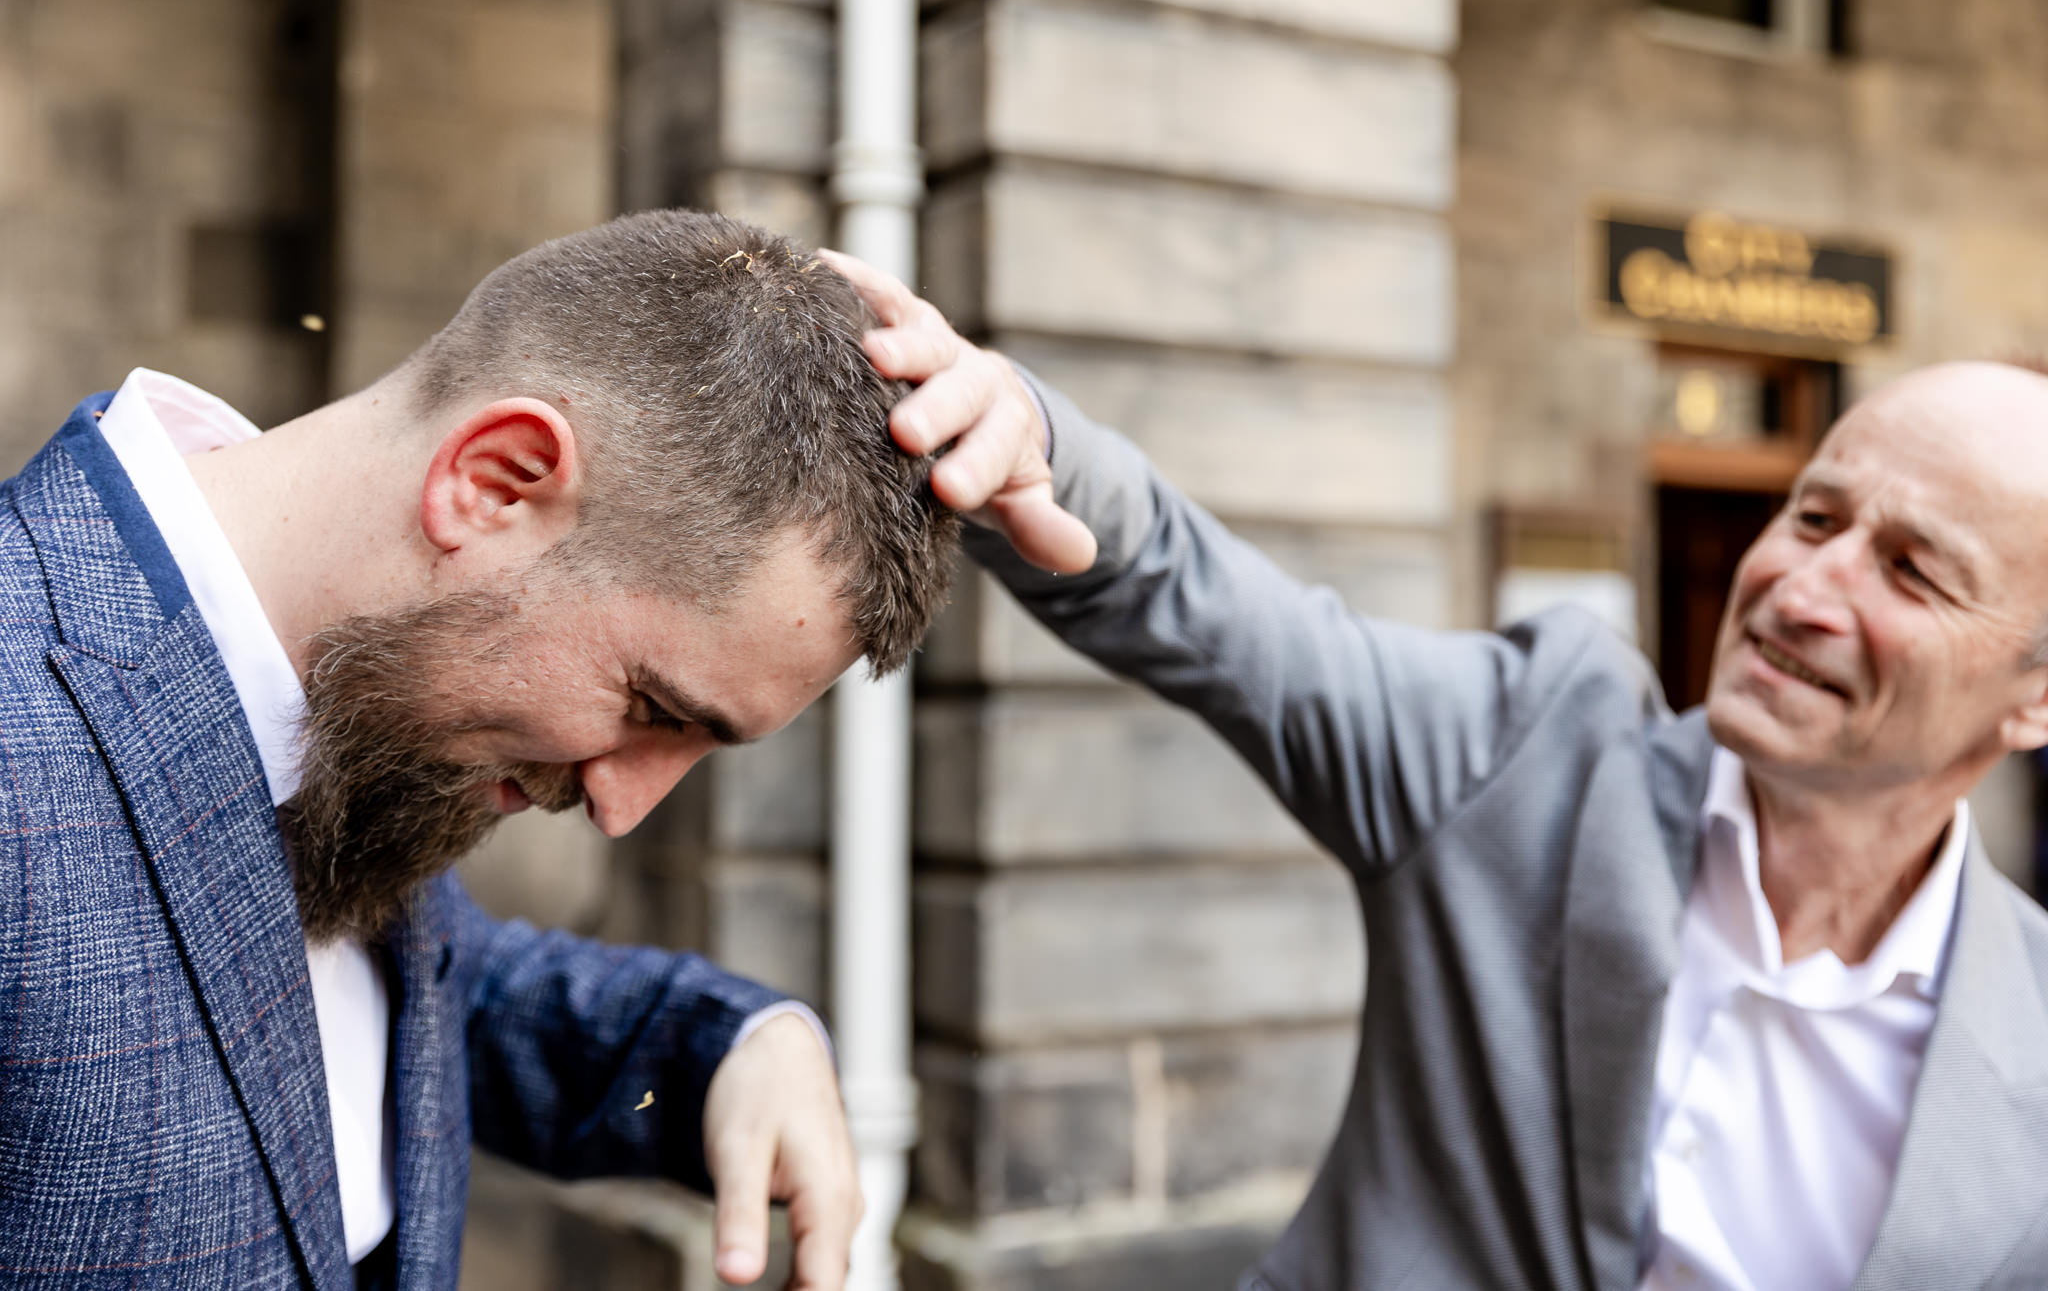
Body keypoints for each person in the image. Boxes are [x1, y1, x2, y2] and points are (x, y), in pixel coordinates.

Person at [825, 248, 2048, 1291]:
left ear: (2033, 697)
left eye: (1911, 572)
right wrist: (1026, 436)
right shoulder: (1526, 750)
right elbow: (1204, 605)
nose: (1803, 588)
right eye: (1815, 518)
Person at [0, 210, 956, 1290]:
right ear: (495, 480)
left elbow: (378, 993)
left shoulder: (349, 721)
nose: (623, 808)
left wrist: (724, 1045)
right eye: (651, 703)